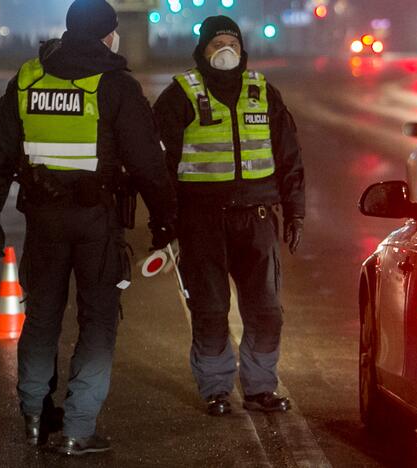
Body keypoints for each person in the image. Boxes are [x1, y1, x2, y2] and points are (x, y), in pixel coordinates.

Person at [0, 0, 177, 455]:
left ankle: (33, 417)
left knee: (41, 316)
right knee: (99, 320)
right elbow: (149, 164)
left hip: (42, 219)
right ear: (108, 34)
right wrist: (165, 221)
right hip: (96, 222)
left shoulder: (29, 78)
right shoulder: (116, 85)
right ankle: (77, 429)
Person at [153, 15, 305, 416]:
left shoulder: (263, 93)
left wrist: (295, 213)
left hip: (256, 220)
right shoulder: (179, 96)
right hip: (201, 222)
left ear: (242, 49)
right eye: (217, 43)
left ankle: (260, 388)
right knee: (210, 309)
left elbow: (289, 157)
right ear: (202, 50)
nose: (225, 51)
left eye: (232, 44)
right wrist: (165, 223)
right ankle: (216, 388)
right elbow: (160, 167)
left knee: (266, 309)